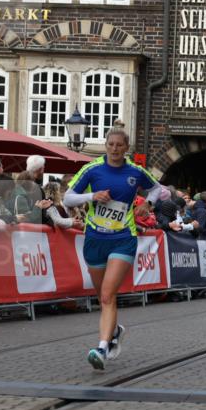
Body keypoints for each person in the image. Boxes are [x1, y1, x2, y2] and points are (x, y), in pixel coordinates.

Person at [62, 130, 165, 370]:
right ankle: (114, 331)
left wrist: (148, 204)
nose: (115, 149)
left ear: (126, 147)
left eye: (119, 145)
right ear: (105, 145)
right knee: (103, 298)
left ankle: (101, 348)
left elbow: (158, 189)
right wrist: (92, 195)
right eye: (111, 144)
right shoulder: (92, 169)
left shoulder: (135, 172)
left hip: (123, 238)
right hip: (95, 239)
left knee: (108, 295)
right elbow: (68, 198)